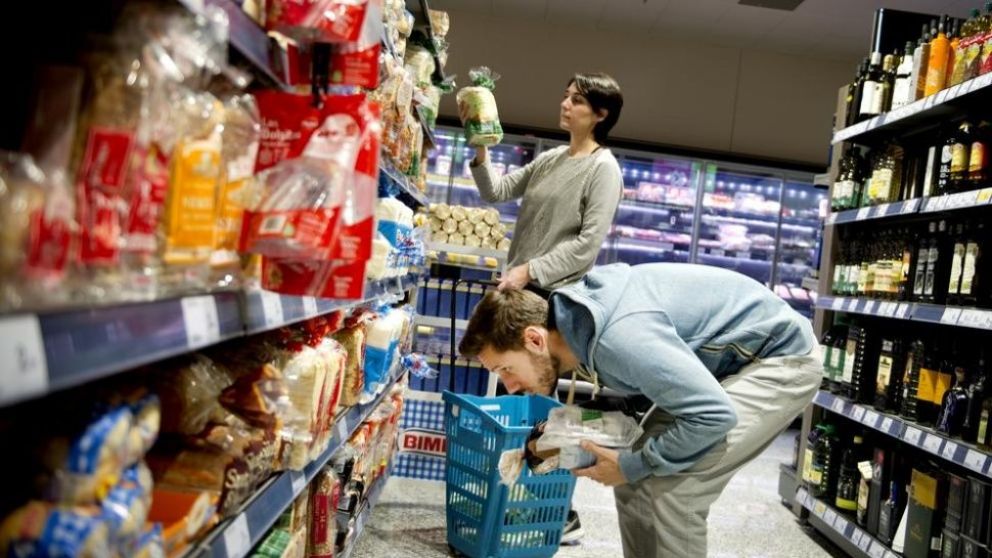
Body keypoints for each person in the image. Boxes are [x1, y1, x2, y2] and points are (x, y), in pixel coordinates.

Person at [457, 262, 822, 558]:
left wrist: (632, 464)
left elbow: (713, 415)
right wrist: (563, 440)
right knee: (634, 485)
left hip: (780, 360)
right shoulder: (578, 328)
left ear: (534, 339)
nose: (510, 386)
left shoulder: (617, 338)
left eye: (506, 369)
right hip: (721, 370)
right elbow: (639, 401)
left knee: (675, 489)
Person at [461, 72, 624, 292]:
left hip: (552, 297)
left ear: (601, 115)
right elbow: (496, 191)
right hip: (517, 285)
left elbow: (587, 246)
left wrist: (529, 271)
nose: (565, 104)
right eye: (566, 96)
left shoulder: (603, 168)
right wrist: (479, 137)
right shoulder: (551, 158)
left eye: (577, 101)